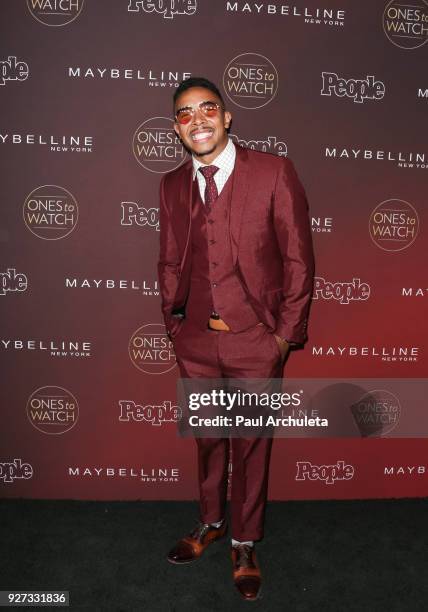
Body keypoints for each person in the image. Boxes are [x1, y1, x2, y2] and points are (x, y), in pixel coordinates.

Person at [157, 76, 314, 601]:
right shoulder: (172, 184)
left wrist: (283, 337)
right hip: (195, 340)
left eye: (208, 109)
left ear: (227, 118)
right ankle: (210, 523)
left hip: (255, 340)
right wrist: (174, 324)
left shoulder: (273, 172)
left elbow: (298, 260)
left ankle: (245, 541)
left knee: (249, 447)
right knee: (208, 442)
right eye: (184, 113)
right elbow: (170, 257)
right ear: (177, 128)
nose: (197, 119)